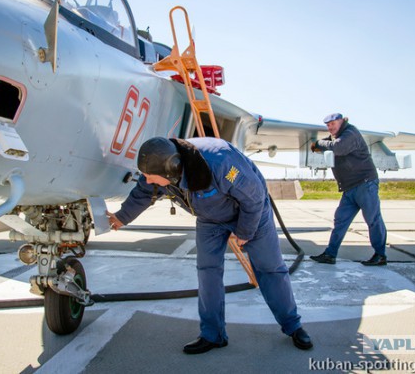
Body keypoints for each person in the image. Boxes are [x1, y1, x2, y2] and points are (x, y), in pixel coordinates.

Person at [108, 136, 313, 354]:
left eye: (151, 178)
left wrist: (244, 232)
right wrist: (122, 217)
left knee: (269, 268)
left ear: (173, 170)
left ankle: (293, 326)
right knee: (207, 271)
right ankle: (212, 335)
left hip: (251, 214)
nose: (147, 181)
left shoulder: (220, 163)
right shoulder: (158, 164)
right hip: (209, 219)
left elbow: (253, 198)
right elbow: (142, 191)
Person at [309, 113, 388, 266]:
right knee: (340, 220)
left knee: (373, 219)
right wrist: (320, 144)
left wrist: (319, 143)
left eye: (332, 124)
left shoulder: (351, 133)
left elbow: (339, 147)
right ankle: (330, 254)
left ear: (341, 121)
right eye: (328, 125)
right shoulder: (337, 136)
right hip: (350, 188)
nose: (329, 128)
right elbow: (332, 143)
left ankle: (380, 255)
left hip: (365, 184)